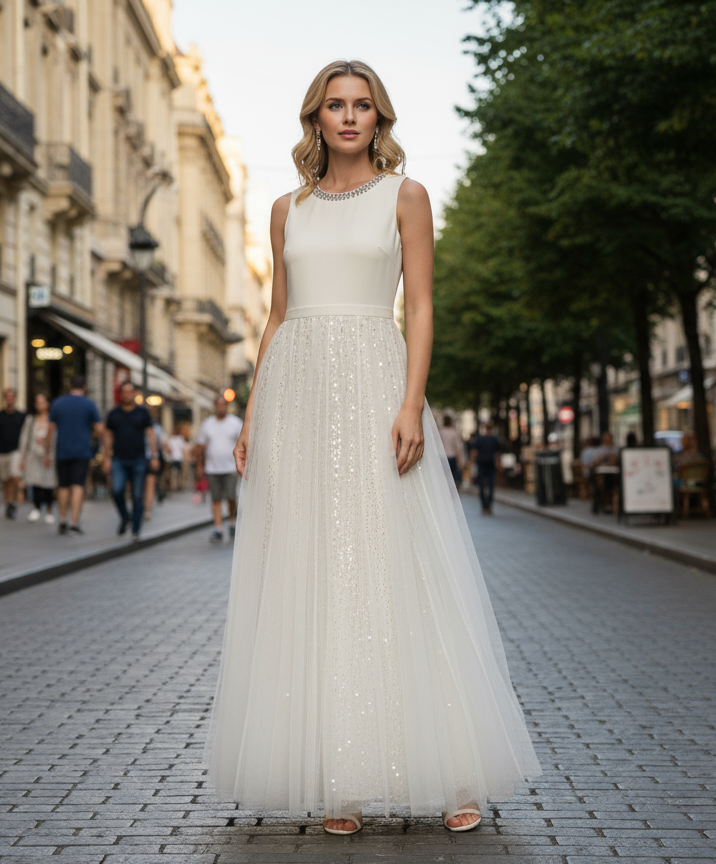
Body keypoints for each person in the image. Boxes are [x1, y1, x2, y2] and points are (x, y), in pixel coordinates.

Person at [204, 61, 539, 837]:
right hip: (298, 396)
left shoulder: (406, 196)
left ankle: (454, 770)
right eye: (335, 105)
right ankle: (340, 777)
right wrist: (254, 417)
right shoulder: (286, 210)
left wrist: (412, 401)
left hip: (376, 385)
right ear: (315, 119)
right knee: (314, 573)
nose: (349, 117)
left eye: (362, 106)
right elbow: (278, 317)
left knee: (400, 563)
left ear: (378, 118)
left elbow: (420, 305)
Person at [48, 375, 103, 536]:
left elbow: (51, 429)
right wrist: (99, 446)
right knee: (78, 485)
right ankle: (74, 521)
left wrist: (47, 452)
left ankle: (62, 519)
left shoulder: (58, 403)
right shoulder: (89, 404)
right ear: (84, 387)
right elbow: (100, 429)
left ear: (69, 386)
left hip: (62, 451)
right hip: (82, 451)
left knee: (63, 485)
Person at [104, 381, 155, 539]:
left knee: (137, 495)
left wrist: (154, 455)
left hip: (138, 459)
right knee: (117, 490)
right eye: (124, 391)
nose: (127, 394)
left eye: (130, 391)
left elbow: (150, 434)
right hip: (119, 459)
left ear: (134, 393)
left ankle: (135, 530)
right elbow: (107, 436)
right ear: (121, 394)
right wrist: (106, 457)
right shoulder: (114, 414)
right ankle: (125, 517)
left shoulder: (142, 413)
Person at [195, 396, 242, 543]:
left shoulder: (235, 423)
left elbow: (243, 443)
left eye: (223, 405)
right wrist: (200, 465)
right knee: (215, 498)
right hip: (212, 468)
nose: (220, 407)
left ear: (227, 406)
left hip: (230, 467)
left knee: (230, 496)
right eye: (218, 405)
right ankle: (218, 528)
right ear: (215, 406)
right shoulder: (207, 424)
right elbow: (200, 446)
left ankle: (232, 522)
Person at [18, 393, 57, 523]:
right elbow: (24, 439)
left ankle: (50, 510)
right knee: (35, 482)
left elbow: (55, 439)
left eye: (41, 402)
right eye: (37, 402)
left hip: (48, 456)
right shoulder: (31, 420)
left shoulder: (53, 420)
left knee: (48, 483)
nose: (39, 405)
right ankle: (36, 508)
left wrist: (50, 455)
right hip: (33, 455)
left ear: (47, 404)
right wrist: (22, 458)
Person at [0, 388, 26, 519]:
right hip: (1, 452)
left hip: (16, 451)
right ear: (4, 398)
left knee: (14, 477)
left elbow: (25, 435)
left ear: (15, 398)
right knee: (5, 480)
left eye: (11, 397)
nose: (9, 399)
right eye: (7, 397)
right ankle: (8, 503)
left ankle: (13, 501)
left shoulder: (21, 416)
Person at [470, 420, 501, 515]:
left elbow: (474, 452)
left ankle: (484, 505)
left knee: (482, 485)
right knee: (491, 485)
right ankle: (489, 505)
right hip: (491, 463)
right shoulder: (495, 439)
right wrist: (499, 464)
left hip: (481, 463)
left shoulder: (480, 439)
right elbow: (498, 454)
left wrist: (472, 462)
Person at [143, 412, 165, 517]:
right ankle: (146, 508)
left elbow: (159, 443)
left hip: (149, 458)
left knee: (149, 484)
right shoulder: (157, 428)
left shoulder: (155, 428)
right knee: (146, 485)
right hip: (144, 458)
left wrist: (155, 456)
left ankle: (147, 508)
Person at [438, 413, 465, 487]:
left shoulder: (440, 432)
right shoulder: (454, 432)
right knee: (453, 477)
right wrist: (460, 459)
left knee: (444, 477)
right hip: (452, 456)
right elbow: (458, 447)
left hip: (442, 456)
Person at [167, 426, 188, 491]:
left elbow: (169, 449)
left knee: (174, 473)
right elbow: (183, 449)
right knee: (179, 473)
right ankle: (179, 485)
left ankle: (174, 486)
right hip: (179, 458)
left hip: (173, 458)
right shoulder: (180, 439)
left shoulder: (171, 439)